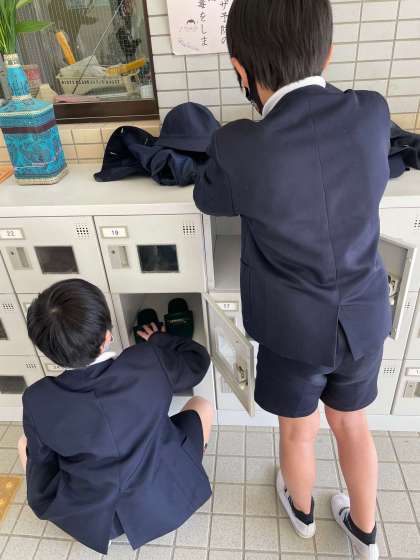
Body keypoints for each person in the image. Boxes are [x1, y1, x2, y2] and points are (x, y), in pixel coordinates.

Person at [194, 1, 391, 559]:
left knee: (298, 430)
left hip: (291, 331)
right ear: (327, 54)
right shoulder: (372, 113)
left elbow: (209, 198)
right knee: (353, 425)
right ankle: (365, 534)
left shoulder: (239, 144)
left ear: (240, 69)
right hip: (363, 317)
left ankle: (301, 513)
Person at [18, 279, 213, 555]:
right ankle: (183, 470)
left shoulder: (37, 399)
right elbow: (197, 360)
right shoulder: (146, 360)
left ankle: (97, 526)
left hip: (96, 514)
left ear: (47, 350)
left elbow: (42, 462)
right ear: (107, 336)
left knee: (24, 443)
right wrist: (158, 339)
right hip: (162, 497)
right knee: (202, 405)